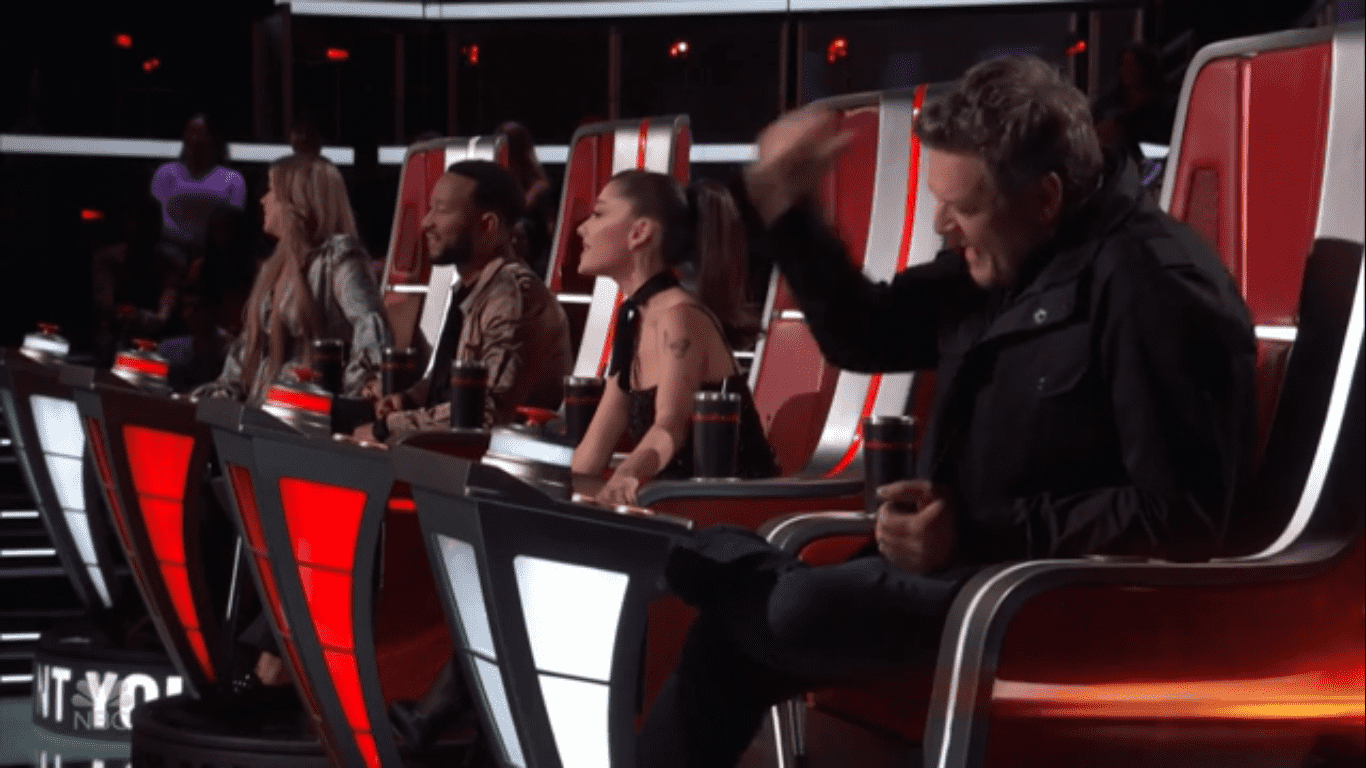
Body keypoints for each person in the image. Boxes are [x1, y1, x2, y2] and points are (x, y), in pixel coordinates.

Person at [636, 56, 1257, 767]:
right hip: (970, 578)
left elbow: (1182, 518)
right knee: (736, 632)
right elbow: (865, 333)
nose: (942, 225)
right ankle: (729, 568)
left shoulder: (1153, 282)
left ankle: (724, 565)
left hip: (1050, 604)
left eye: (960, 207)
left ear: (1045, 197)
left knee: (781, 608)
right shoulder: (1007, 254)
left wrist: (970, 529)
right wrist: (787, 211)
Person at [571, 171, 778, 506]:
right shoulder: (632, 318)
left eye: (598, 214)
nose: (582, 228)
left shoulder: (680, 318)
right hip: (673, 505)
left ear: (640, 232)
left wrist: (628, 474)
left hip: (728, 511)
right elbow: (591, 455)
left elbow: (670, 425)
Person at [360, 160, 572, 442]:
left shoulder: (512, 297)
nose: (426, 222)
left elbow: (483, 412)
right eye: (431, 208)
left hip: (490, 459)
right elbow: (451, 384)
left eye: (442, 210)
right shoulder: (472, 288)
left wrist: (387, 428)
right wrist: (408, 399)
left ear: (487, 226)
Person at [192, 153, 391, 404]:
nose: (263, 200)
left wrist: (356, 390)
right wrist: (221, 395)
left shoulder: (338, 258)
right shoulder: (274, 266)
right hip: (262, 407)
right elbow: (247, 349)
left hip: (306, 410)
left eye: (271, 191)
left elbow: (371, 325)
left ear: (296, 201)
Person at [151, 114, 247, 267]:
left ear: (213, 139)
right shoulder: (166, 173)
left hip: (215, 254)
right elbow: (155, 216)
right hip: (170, 250)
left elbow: (233, 223)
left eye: (201, 134)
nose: (195, 140)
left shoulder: (232, 179)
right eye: (191, 133)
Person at [495, 121, 556, 278]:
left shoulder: (538, 184)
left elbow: (524, 208)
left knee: (519, 228)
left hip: (533, 247)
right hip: (505, 240)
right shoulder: (497, 176)